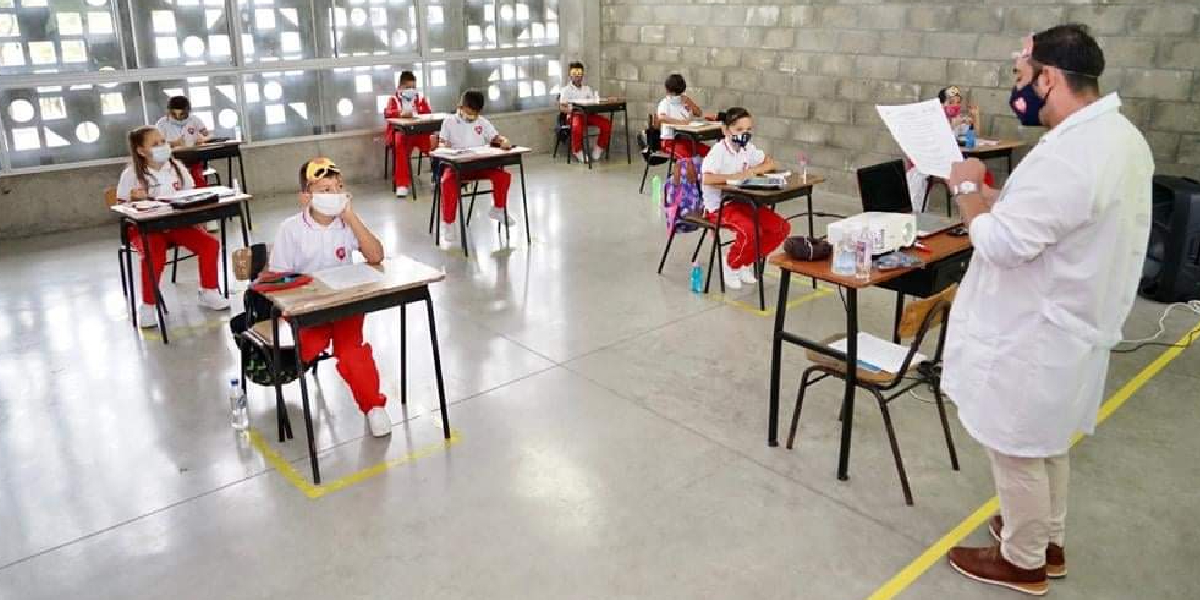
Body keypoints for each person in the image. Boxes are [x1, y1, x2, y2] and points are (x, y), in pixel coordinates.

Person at [942, 25, 1153, 596]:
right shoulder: (1117, 137)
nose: (1018, 88)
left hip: (1036, 330)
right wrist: (995, 199)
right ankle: (1047, 540)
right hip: (1072, 322)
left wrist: (966, 189)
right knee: (1047, 441)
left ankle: (1023, 560)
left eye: (1021, 77)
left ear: (1049, 77)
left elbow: (1003, 244)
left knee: (1015, 447)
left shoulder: (1074, 155)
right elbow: (1051, 219)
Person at [268, 158, 392, 437]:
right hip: (307, 309)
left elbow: (376, 256)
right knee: (305, 349)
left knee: (351, 352)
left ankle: (373, 406)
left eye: (339, 188)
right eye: (325, 190)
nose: (334, 194)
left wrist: (351, 217)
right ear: (306, 196)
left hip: (345, 305)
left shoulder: (346, 225)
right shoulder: (291, 229)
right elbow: (277, 279)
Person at [115, 126, 229, 326]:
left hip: (177, 224)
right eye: (155, 144)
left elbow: (191, 193)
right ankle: (148, 305)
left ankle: (209, 290)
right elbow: (121, 206)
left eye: (163, 141)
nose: (162, 146)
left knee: (209, 244)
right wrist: (133, 200)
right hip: (145, 229)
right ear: (141, 151)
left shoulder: (176, 167)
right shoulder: (131, 174)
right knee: (153, 254)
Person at [699, 107, 790, 289]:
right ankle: (731, 264)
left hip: (743, 202)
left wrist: (753, 171)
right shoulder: (718, 151)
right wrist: (735, 177)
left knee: (781, 228)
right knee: (751, 231)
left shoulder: (747, 148)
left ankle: (744, 261)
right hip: (719, 207)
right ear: (726, 130)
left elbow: (770, 162)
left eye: (748, 129)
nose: (744, 134)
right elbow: (707, 178)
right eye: (739, 129)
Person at [433, 90, 515, 244]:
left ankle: (498, 209)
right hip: (457, 166)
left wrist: (504, 141)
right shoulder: (449, 122)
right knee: (447, 182)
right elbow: (442, 143)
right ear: (461, 106)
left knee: (503, 176)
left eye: (476, 113)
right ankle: (449, 223)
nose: (473, 116)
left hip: (480, 165)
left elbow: (496, 137)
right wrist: (444, 146)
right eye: (470, 113)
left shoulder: (482, 122)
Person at [383, 70, 434, 198]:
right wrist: (401, 113)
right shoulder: (393, 100)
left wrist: (418, 111)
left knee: (434, 142)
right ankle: (402, 184)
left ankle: (438, 176)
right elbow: (387, 113)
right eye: (408, 87)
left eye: (413, 87)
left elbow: (428, 112)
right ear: (400, 87)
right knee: (400, 143)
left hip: (418, 132)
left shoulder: (420, 99)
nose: (411, 90)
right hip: (401, 134)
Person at [557, 61, 610, 164]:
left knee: (606, 124)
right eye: (574, 73)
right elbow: (562, 108)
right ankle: (577, 151)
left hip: (588, 115)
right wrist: (574, 110)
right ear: (570, 75)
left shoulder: (587, 89)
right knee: (577, 126)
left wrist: (606, 100)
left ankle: (599, 147)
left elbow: (594, 102)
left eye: (579, 73)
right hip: (574, 116)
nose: (577, 76)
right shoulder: (565, 90)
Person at [155, 96, 211, 187]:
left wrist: (202, 139)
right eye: (174, 114)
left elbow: (207, 135)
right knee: (178, 181)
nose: (178, 118)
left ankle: (201, 191)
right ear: (168, 111)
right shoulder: (162, 123)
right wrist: (173, 144)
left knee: (197, 178)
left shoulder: (195, 120)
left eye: (182, 114)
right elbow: (156, 145)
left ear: (188, 111)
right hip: (171, 158)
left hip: (193, 157)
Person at [656, 74, 710, 160]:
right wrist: (682, 123)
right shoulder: (665, 103)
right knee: (687, 158)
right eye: (675, 94)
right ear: (669, 91)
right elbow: (662, 118)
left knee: (709, 152)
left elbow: (699, 113)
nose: (677, 96)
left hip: (687, 140)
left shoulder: (684, 101)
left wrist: (689, 103)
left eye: (679, 93)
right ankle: (687, 169)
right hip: (670, 141)